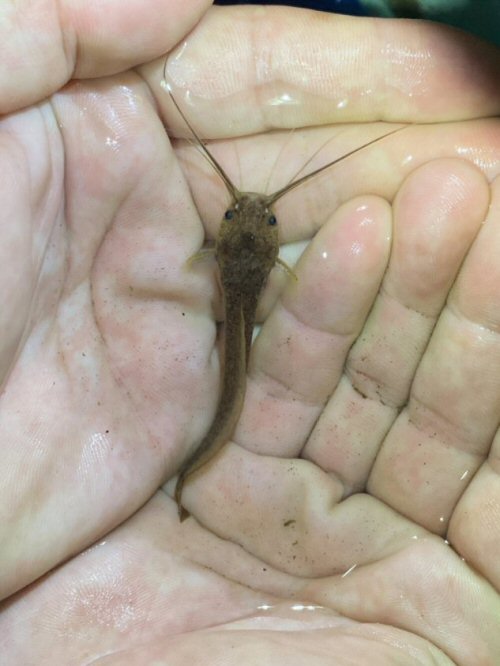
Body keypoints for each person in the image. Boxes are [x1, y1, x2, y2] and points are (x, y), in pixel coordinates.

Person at [0, 1, 499, 663]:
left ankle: (192, 471)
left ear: (249, 258)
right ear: (260, 259)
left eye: (258, 220)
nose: (254, 212)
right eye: (248, 215)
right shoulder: (253, 264)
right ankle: (192, 470)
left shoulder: (223, 257)